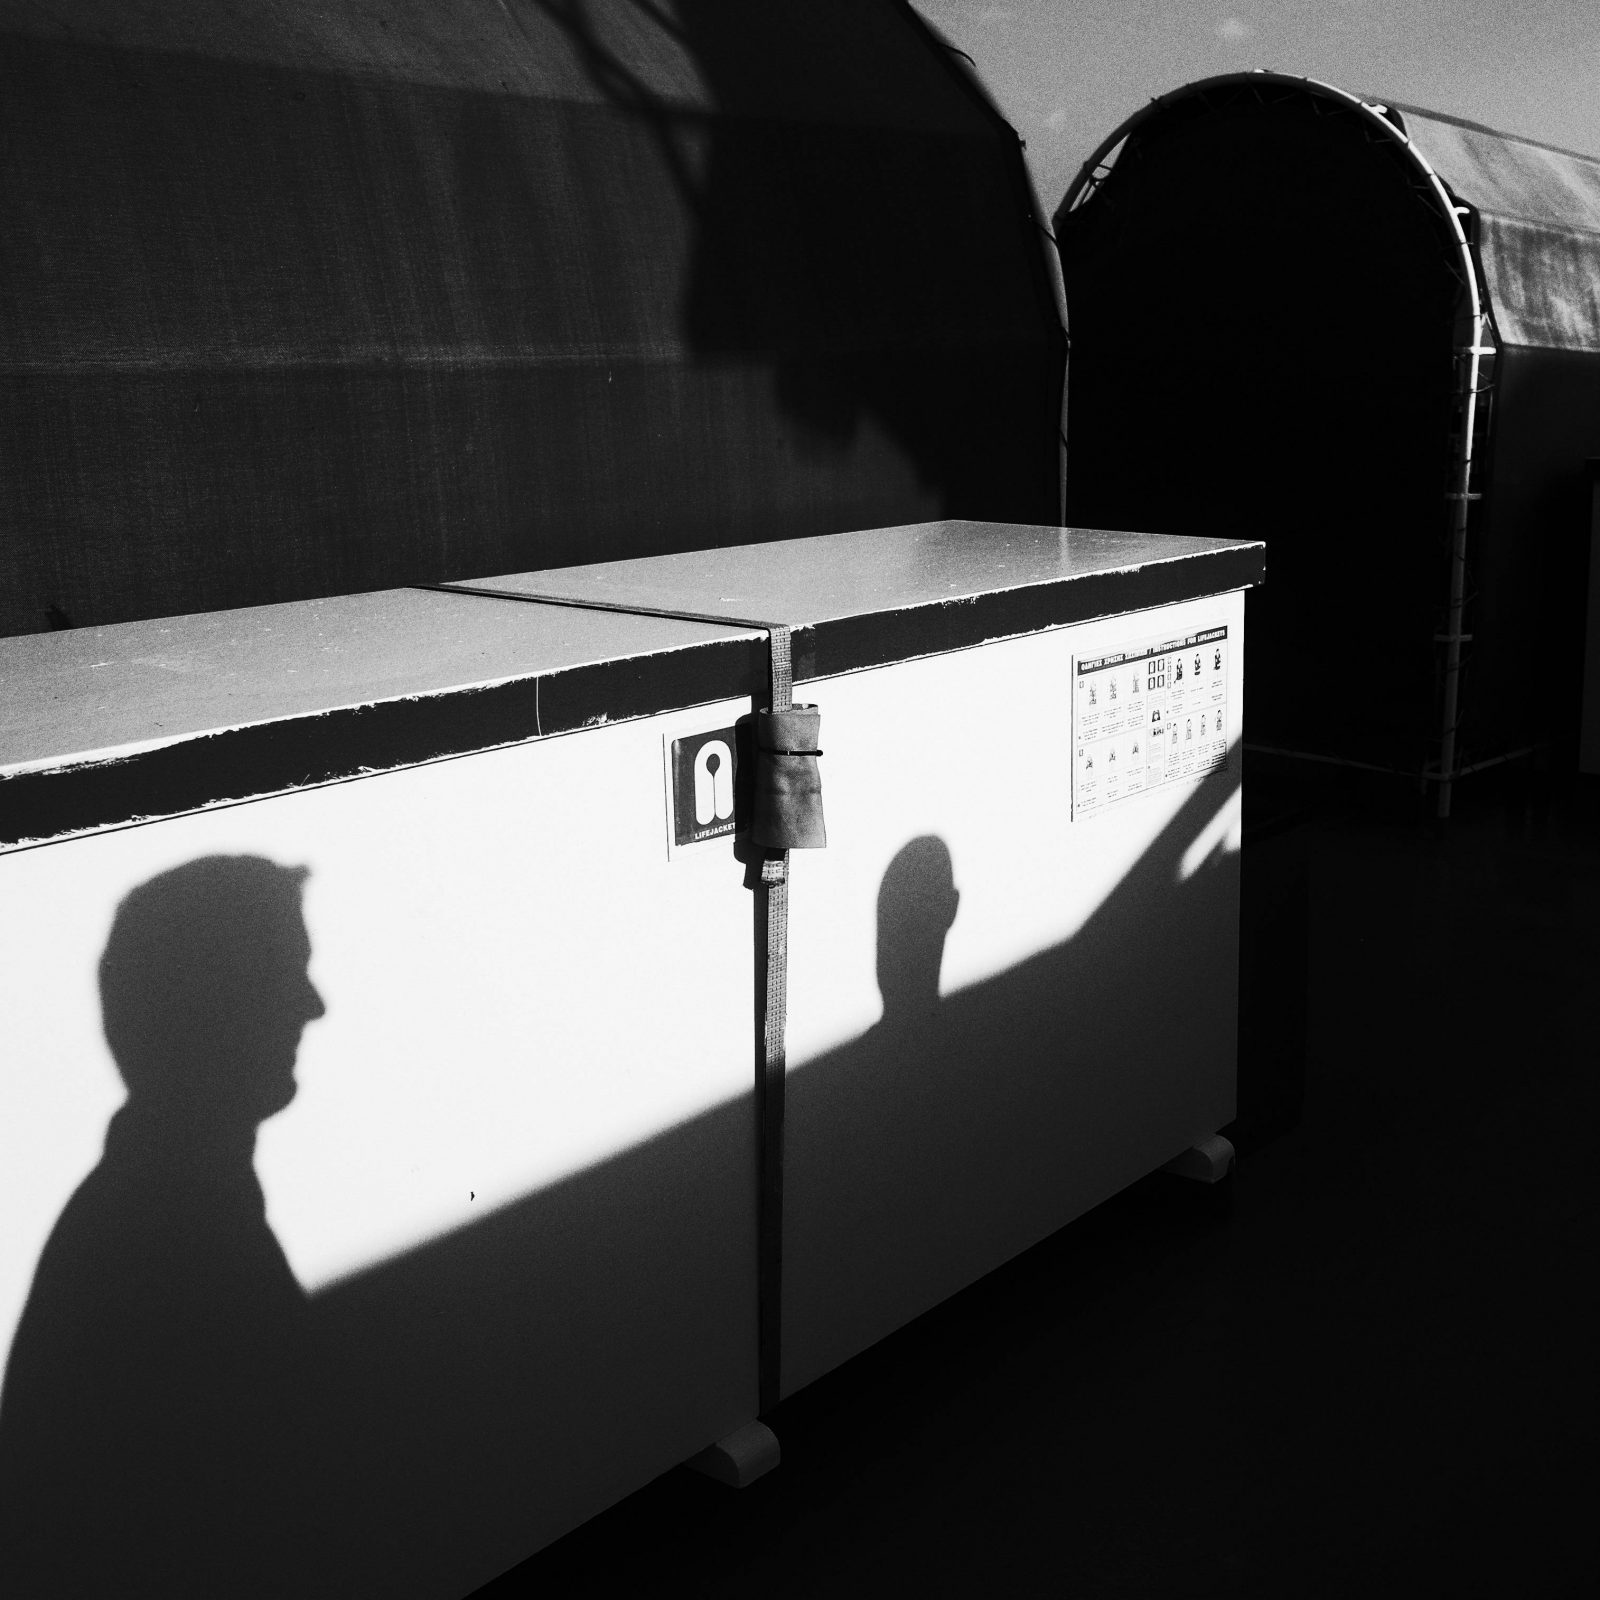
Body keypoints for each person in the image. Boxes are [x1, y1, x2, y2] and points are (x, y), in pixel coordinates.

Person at [0, 856, 340, 1598]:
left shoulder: (149, 1215)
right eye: (284, 974)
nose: (313, 1006)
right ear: (212, 1004)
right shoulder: (173, 1242)